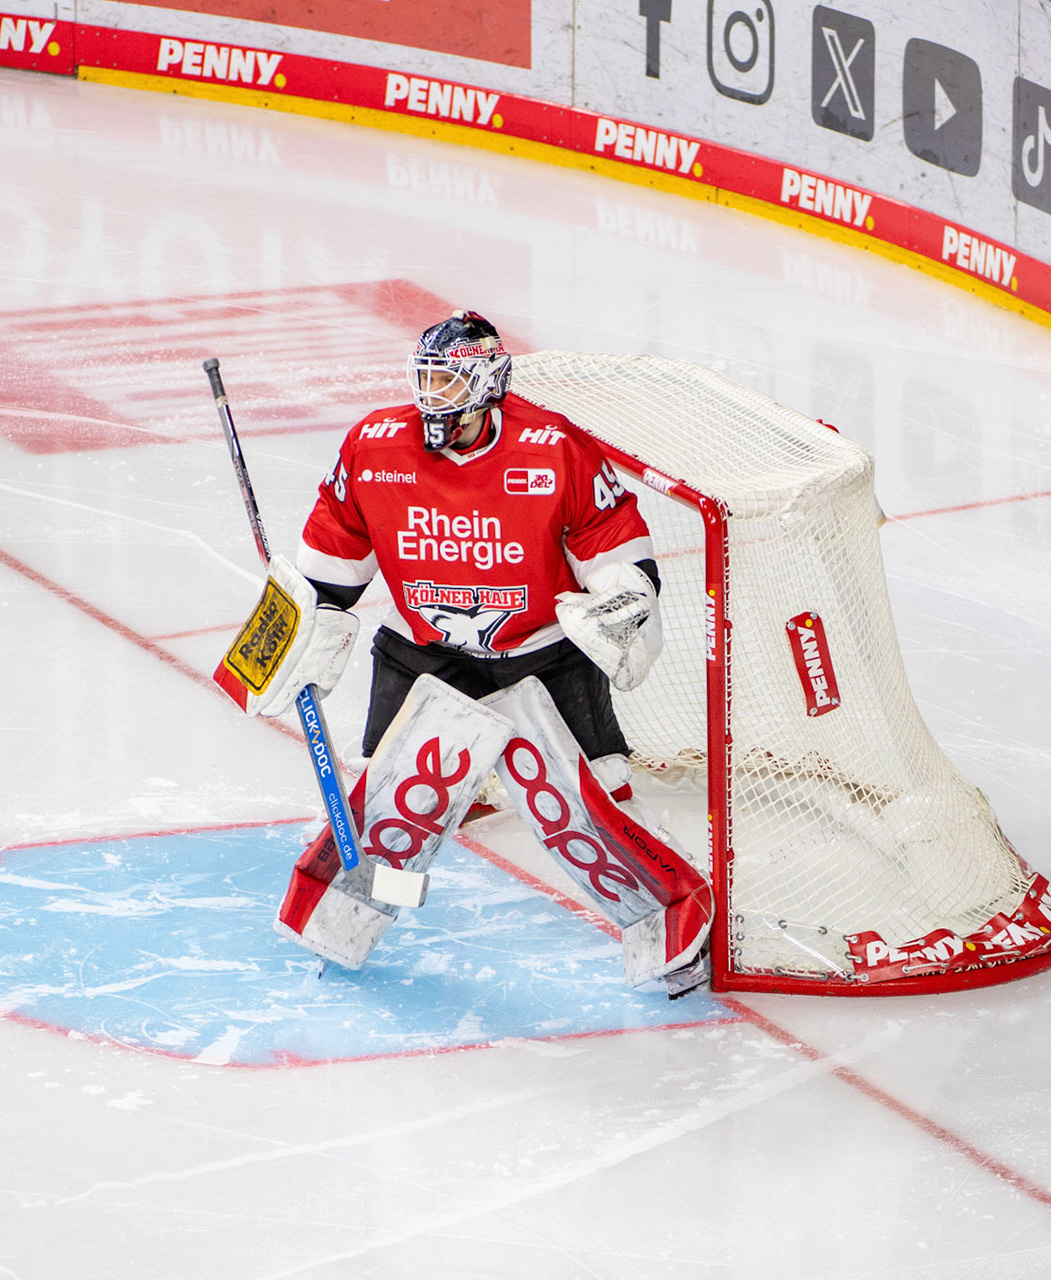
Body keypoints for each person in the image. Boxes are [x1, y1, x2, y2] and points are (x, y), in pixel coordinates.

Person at [213, 311, 710, 995]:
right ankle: (345, 915)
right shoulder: (375, 447)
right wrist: (294, 632)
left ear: (489, 384)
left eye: (449, 381)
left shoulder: (554, 448)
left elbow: (614, 544)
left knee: (592, 805)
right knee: (390, 808)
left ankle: (674, 923)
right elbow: (330, 571)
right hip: (424, 653)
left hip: (542, 652)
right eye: (427, 378)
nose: (433, 395)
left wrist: (621, 601)